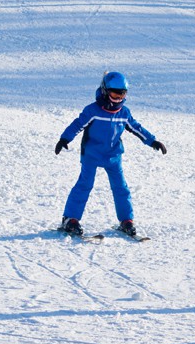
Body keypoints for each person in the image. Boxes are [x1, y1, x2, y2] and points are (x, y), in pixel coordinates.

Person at [55, 72, 166, 236]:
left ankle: (126, 220)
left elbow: (136, 128)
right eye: (115, 92)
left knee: (121, 187)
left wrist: (152, 141)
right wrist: (65, 138)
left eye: (122, 93)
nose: (118, 97)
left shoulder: (123, 113)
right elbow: (78, 124)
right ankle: (70, 219)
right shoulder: (93, 110)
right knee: (84, 185)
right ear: (105, 91)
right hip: (92, 154)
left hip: (113, 156)